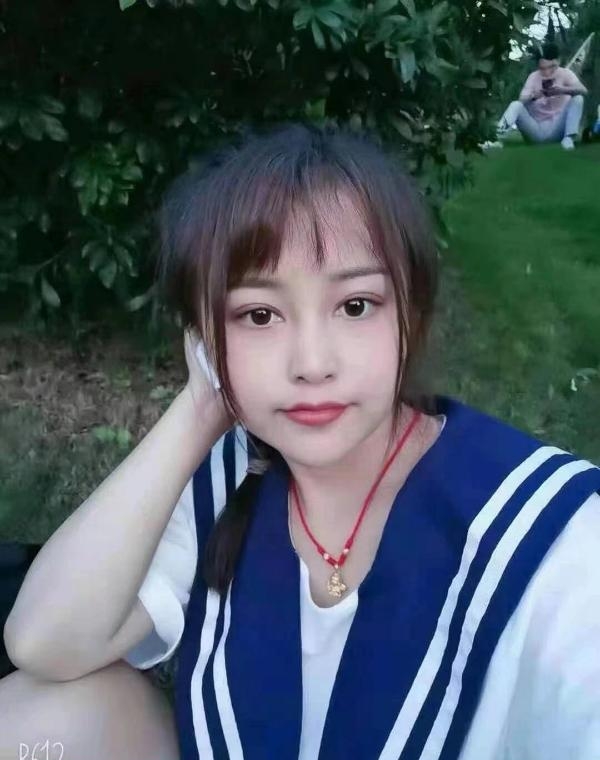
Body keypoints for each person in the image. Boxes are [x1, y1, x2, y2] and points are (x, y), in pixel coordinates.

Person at [1, 123, 600, 760]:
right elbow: (46, 643)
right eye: (258, 315)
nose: (312, 363)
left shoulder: (556, 537)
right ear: (204, 336)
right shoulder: (227, 481)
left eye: (356, 306)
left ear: (412, 314)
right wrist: (200, 410)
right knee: (40, 716)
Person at [497, 42, 588, 150]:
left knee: (578, 98)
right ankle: (496, 138)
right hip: (536, 130)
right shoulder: (533, 77)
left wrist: (562, 90)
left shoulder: (566, 74)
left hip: (557, 128)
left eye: (551, 67)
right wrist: (534, 96)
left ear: (558, 61)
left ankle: (568, 139)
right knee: (515, 104)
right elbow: (521, 100)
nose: (547, 72)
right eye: (542, 68)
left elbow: (583, 90)